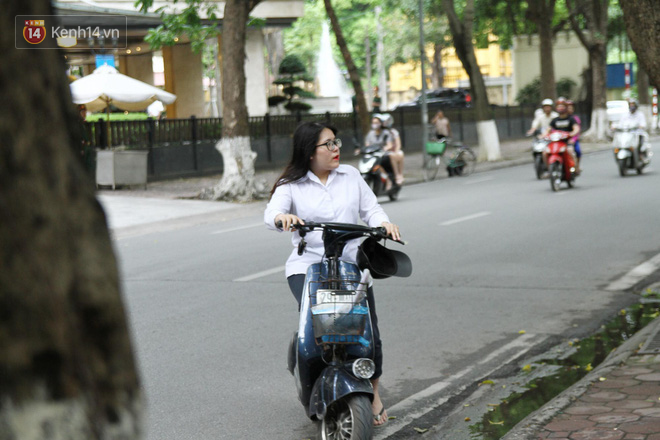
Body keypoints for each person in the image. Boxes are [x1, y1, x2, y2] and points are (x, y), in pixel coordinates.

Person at [264, 121, 401, 427]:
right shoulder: (291, 184)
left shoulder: (351, 175)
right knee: (319, 326)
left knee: (368, 333)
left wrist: (385, 224)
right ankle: (313, 382)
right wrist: (281, 217)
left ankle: (374, 394)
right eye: (328, 144)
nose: (335, 148)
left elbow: (372, 209)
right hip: (308, 266)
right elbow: (270, 213)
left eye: (336, 142)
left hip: (351, 266)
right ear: (309, 152)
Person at [543, 98, 580, 172]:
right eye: (559, 106)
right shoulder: (555, 120)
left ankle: (575, 168)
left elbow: (576, 128)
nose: (560, 108)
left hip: (566, 141)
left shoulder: (571, 119)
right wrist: (544, 135)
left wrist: (571, 134)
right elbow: (548, 129)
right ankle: (549, 170)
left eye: (562, 106)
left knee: (570, 151)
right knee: (545, 152)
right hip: (556, 142)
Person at [365, 115, 396, 191]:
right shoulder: (370, 134)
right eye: (373, 123)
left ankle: (388, 180)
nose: (375, 124)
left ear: (381, 123)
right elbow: (367, 145)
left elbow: (389, 144)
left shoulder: (385, 133)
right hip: (373, 155)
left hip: (383, 155)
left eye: (376, 122)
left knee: (379, 165)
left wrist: (385, 148)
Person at [615, 98, 650, 163]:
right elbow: (620, 124)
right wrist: (615, 127)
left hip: (637, 133)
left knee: (640, 143)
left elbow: (643, 124)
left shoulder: (640, 114)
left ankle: (641, 155)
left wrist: (641, 126)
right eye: (630, 104)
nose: (631, 106)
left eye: (633, 104)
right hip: (627, 134)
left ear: (636, 105)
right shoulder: (625, 115)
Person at [380, 113, 405, 185]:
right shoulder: (380, 132)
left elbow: (398, 144)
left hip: (390, 152)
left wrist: (396, 151)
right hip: (382, 153)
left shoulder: (394, 132)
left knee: (399, 154)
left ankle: (399, 174)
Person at [565, 100, 582, 172]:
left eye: (571, 108)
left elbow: (577, 131)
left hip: (572, 139)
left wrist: (573, 139)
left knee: (577, 151)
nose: (569, 110)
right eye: (568, 108)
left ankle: (576, 166)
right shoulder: (560, 118)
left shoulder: (575, 119)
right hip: (562, 139)